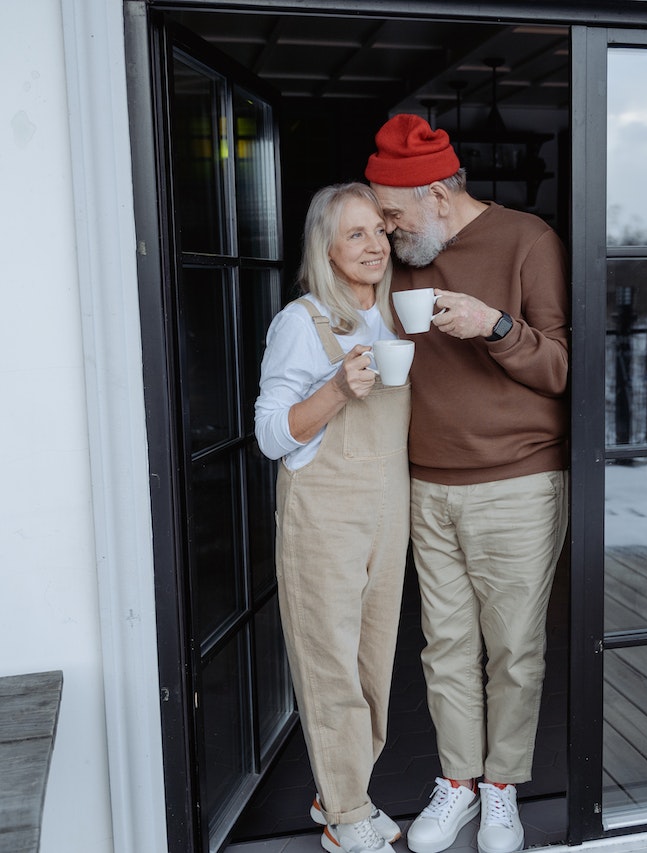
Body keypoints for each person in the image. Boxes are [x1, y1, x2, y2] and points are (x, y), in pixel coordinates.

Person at [364, 115, 570, 853]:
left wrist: (494, 326)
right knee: (443, 643)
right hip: (424, 481)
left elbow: (560, 369)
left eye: (392, 213)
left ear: (441, 195)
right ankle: (457, 781)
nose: (386, 230)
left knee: (513, 647)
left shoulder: (529, 242)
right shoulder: (404, 254)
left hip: (518, 480)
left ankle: (503, 789)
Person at [254, 182, 411, 853]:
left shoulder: (400, 317)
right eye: (356, 233)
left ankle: (343, 790)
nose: (374, 243)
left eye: (379, 229)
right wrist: (336, 389)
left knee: (375, 662)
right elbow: (269, 433)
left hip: (387, 507)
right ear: (326, 245)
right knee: (332, 667)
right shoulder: (303, 321)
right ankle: (346, 815)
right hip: (324, 513)